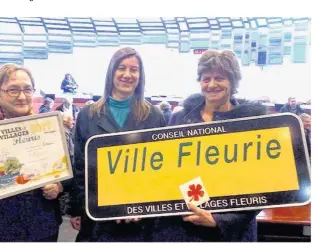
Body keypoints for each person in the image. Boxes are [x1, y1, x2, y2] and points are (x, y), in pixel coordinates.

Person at [156, 50, 267, 242]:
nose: (212, 84)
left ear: (232, 82)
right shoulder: (180, 119)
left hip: (228, 233)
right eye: (206, 78)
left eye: (220, 78)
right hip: (181, 229)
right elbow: (164, 170)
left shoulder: (251, 123)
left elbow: (263, 183)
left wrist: (221, 220)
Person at [68, 47, 166, 242]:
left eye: (134, 69)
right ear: (111, 72)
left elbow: (162, 169)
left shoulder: (155, 116)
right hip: (97, 216)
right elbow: (80, 166)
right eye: (121, 68)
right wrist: (76, 208)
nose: (127, 75)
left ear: (140, 75)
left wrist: (140, 204)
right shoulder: (88, 115)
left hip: (139, 218)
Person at [0, 64, 64, 242]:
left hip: (42, 228)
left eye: (28, 90)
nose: (22, 97)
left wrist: (59, 187)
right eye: (13, 90)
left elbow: (68, 173)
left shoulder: (49, 129)